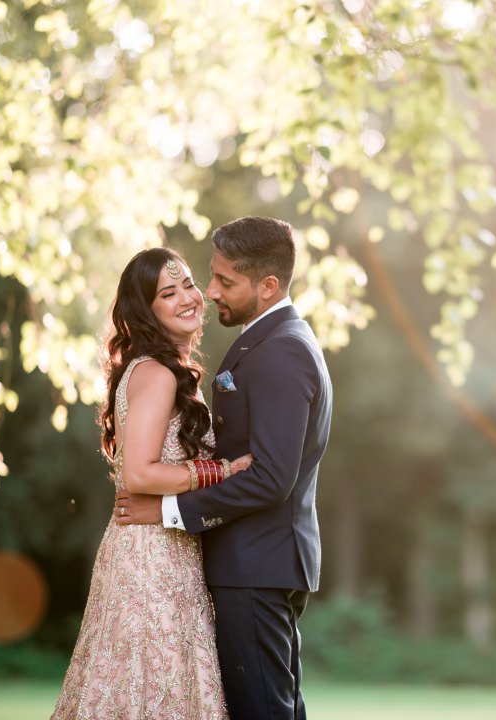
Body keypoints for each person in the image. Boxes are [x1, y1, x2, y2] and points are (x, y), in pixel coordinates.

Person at [115, 216, 333, 720]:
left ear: (268, 286)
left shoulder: (281, 350)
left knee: (262, 710)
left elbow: (271, 477)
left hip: (256, 561)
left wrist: (168, 510)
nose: (210, 292)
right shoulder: (273, 340)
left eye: (224, 281)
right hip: (257, 560)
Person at [51, 247, 251, 720]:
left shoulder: (165, 372)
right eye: (168, 291)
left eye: (187, 284)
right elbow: (137, 473)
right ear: (147, 309)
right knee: (143, 689)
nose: (187, 297)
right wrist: (221, 471)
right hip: (149, 559)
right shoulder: (157, 374)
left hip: (170, 547)